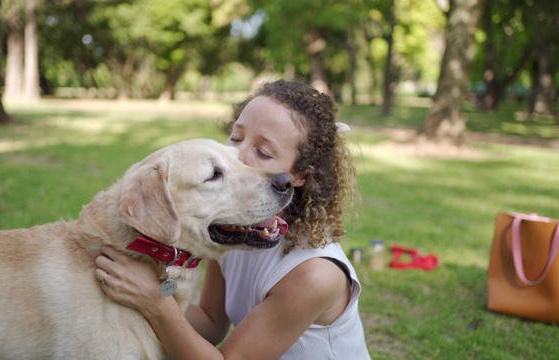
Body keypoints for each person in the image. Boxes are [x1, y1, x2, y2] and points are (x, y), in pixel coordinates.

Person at [95, 79, 371, 359]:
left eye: (263, 152)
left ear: (299, 176)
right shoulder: (235, 227)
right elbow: (211, 323)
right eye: (237, 138)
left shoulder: (315, 274)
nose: (236, 155)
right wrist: (135, 292)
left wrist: (157, 302)